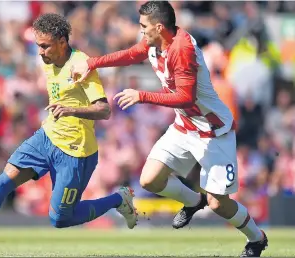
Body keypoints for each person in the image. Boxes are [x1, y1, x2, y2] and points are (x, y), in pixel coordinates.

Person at [71, 2, 267, 257]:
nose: (139, 31)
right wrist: (93, 63)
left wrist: (141, 95)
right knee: (150, 180)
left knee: (218, 203)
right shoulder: (156, 42)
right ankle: (192, 201)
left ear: (159, 27)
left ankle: (256, 238)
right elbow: (132, 54)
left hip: (212, 131)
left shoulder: (182, 49)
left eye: (143, 26)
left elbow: (185, 97)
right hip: (184, 126)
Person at [0, 13, 137, 255]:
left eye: (44, 46)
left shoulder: (81, 65)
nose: (40, 52)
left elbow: (104, 110)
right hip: (46, 137)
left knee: (59, 218)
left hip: (75, 151)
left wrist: (70, 109)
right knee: (4, 181)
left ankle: (119, 199)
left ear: (62, 42)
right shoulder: (48, 61)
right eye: (37, 45)